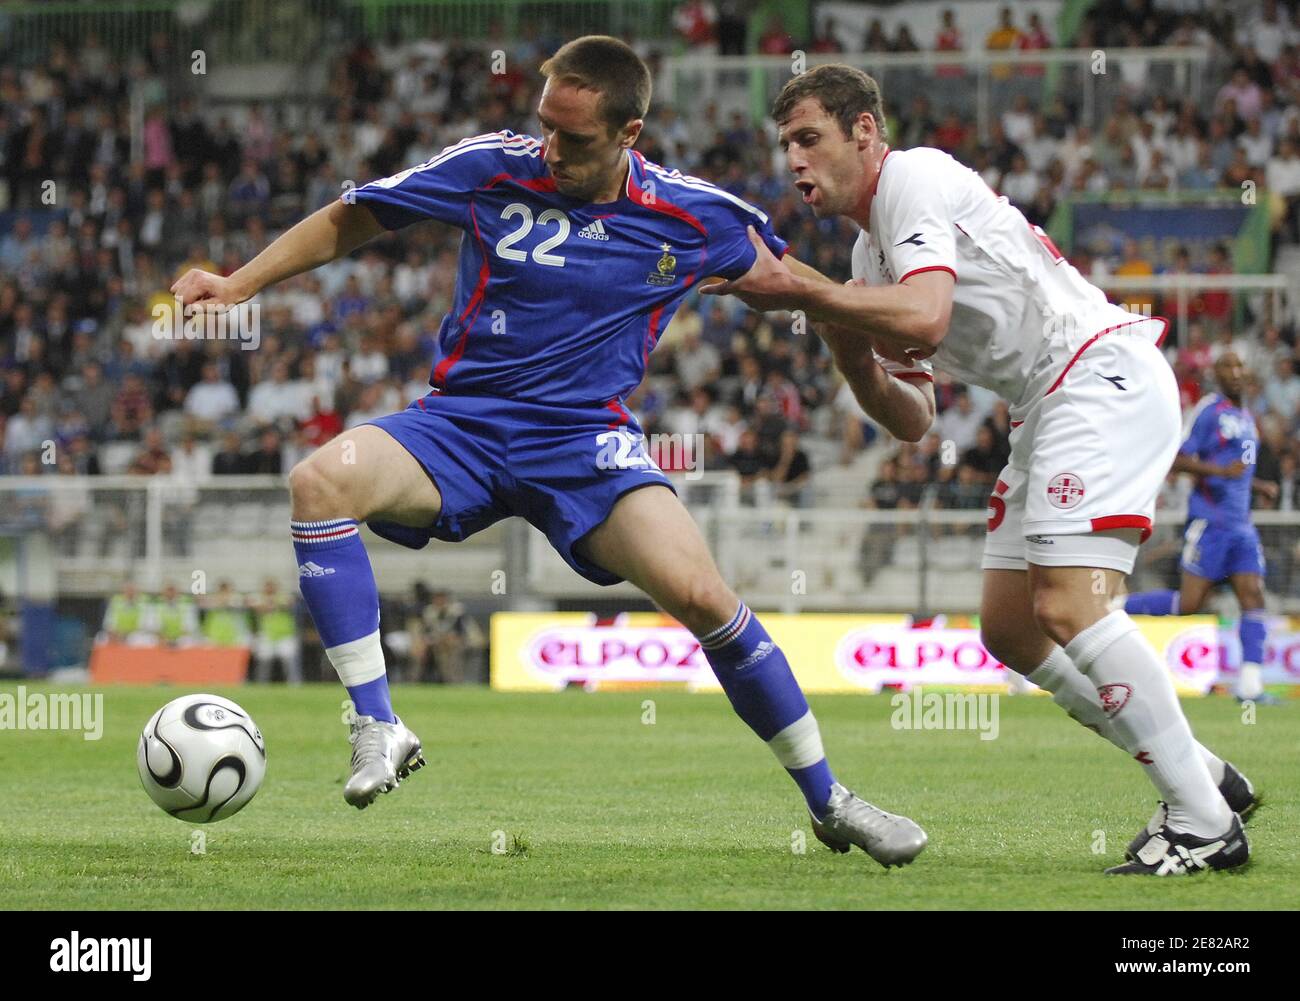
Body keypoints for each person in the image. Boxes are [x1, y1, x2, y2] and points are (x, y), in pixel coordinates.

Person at [170, 37, 925, 866]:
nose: (551, 149)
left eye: (573, 138)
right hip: (461, 424)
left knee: (706, 595)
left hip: (585, 442)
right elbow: (355, 216)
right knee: (318, 482)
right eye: (545, 129)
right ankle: (377, 723)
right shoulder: (492, 166)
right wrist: (238, 283)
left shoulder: (692, 215)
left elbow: (799, 287)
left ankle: (831, 801)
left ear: (628, 131)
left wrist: (901, 326)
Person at [702, 64, 1254, 876]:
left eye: (809, 138)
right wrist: (846, 346)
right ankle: (1202, 770)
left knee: (1068, 601)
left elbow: (925, 314)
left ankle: (1203, 821)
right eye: (786, 144)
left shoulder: (914, 177)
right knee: (1010, 626)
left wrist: (801, 292)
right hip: (1047, 402)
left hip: (1095, 373)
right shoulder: (867, 255)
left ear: (864, 132)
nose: (795, 161)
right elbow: (915, 419)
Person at [1126, 352, 1282, 706]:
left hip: (1241, 526)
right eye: (1229, 367)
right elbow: (1178, 459)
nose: (1238, 372)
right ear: (1216, 375)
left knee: (1253, 595)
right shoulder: (1209, 411)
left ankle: (1250, 687)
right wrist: (1220, 474)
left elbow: (1234, 469)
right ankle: (1116, 607)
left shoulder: (1246, 418)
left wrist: (1258, 487)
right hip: (1209, 523)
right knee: (1190, 603)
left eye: (1241, 366)